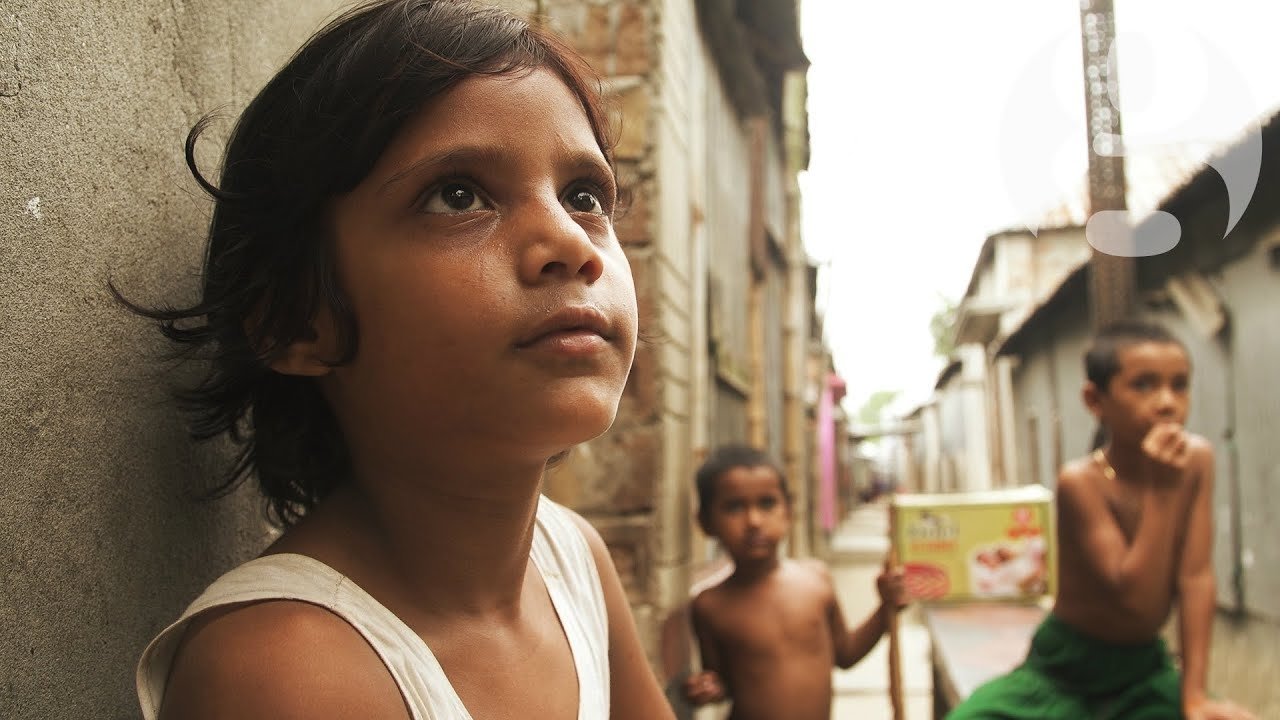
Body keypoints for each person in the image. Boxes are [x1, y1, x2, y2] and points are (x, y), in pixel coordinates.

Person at [122, 2, 675, 718]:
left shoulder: (571, 562)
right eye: (457, 195)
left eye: (584, 195)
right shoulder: (285, 673)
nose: (571, 242)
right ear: (296, 320)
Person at [948, 320, 1255, 720]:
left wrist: (1194, 695)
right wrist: (1162, 492)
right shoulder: (1081, 482)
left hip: (1141, 668)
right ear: (1095, 400)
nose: (1166, 402)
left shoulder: (1197, 461)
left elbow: (1195, 578)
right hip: (1066, 666)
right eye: (1143, 385)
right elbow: (1133, 597)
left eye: (1179, 385)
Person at [682, 445, 906, 720]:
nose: (753, 521)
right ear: (705, 522)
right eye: (734, 507)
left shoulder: (816, 580)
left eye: (767, 503)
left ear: (788, 511)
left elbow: (845, 655)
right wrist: (709, 688)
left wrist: (886, 608)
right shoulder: (710, 606)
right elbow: (723, 682)